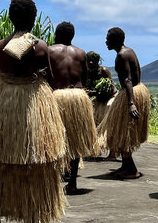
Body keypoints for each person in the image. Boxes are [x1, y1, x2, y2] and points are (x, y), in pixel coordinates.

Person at [0, 0, 67, 223]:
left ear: (10, 19)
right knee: (34, 157)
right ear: (34, 18)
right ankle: (31, 219)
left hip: (5, 103)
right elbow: (51, 77)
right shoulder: (41, 46)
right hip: (32, 103)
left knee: (0, 158)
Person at [48, 21, 98, 194]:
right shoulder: (81, 53)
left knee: (55, 137)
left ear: (57, 34)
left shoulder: (50, 50)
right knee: (75, 140)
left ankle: (55, 178)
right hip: (78, 97)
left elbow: (46, 75)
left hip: (58, 96)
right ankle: (73, 182)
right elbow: (84, 78)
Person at [97, 27, 151, 179]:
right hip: (137, 90)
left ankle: (131, 169)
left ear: (115, 40)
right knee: (121, 131)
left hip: (131, 93)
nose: (106, 41)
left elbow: (127, 79)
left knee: (122, 131)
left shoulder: (121, 55)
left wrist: (131, 103)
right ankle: (126, 166)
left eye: (108, 39)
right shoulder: (129, 51)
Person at [86, 51, 116, 127]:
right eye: (89, 60)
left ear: (97, 61)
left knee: (109, 106)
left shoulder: (103, 70)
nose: (91, 62)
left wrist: (94, 93)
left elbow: (110, 88)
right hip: (99, 98)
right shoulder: (88, 72)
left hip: (110, 96)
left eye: (93, 60)